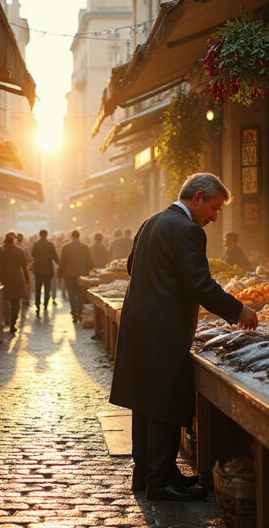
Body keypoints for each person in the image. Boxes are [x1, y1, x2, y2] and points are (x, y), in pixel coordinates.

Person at [109, 173, 258, 502]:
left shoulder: (152, 221)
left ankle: (147, 472)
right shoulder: (188, 230)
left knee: (145, 402)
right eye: (215, 209)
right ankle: (160, 482)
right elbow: (199, 285)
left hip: (140, 324)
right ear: (198, 198)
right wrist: (238, 311)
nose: (215, 218)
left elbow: (134, 267)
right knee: (163, 401)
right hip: (164, 329)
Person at [0, 232, 30, 333]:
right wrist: (27, 279)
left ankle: (3, 320)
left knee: (2, 300)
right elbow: (24, 267)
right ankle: (13, 323)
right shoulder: (20, 251)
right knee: (15, 302)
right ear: (14, 240)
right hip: (17, 278)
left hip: (3, 277)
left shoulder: (0, 250)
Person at [57, 229, 94, 322]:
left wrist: (59, 274)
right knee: (81, 294)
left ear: (71, 236)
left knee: (71, 295)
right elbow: (89, 261)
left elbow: (62, 262)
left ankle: (74, 313)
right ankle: (80, 313)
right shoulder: (85, 247)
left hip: (69, 275)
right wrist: (91, 271)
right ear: (79, 236)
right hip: (82, 274)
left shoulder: (65, 247)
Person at [31, 229, 59, 314]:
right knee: (47, 288)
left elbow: (33, 255)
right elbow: (55, 257)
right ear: (46, 235)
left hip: (38, 270)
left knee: (38, 288)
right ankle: (46, 304)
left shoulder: (36, 244)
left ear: (40, 235)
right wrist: (59, 262)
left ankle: (37, 304)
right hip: (48, 269)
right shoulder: (50, 245)